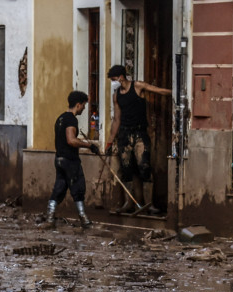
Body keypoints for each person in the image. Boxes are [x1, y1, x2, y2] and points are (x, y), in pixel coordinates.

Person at [105, 64, 171, 215]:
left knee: (144, 166)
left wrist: (176, 92)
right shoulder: (117, 95)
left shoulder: (138, 86)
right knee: (128, 169)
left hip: (140, 133)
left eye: (113, 79)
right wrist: (110, 141)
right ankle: (132, 203)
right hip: (124, 135)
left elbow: (157, 90)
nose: (113, 82)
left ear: (121, 77)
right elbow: (116, 119)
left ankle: (149, 204)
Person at [45, 91, 98, 229]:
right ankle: (84, 219)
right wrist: (89, 145)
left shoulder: (60, 118)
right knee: (78, 187)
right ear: (78, 105)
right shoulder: (71, 119)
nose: (84, 109)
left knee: (59, 188)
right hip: (70, 160)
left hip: (59, 159)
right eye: (84, 106)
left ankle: (50, 218)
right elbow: (71, 140)